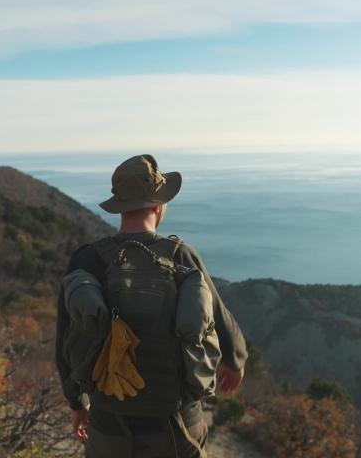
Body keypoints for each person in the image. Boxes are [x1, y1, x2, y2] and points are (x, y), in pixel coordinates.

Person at [56, 154, 248, 457]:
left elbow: (64, 340)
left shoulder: (85, 260)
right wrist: (235, 360)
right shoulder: (181, 255)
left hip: (109, 421)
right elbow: (218, 319)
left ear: (119, 205)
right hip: (176, 424)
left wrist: (78, 404)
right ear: (158, 205)